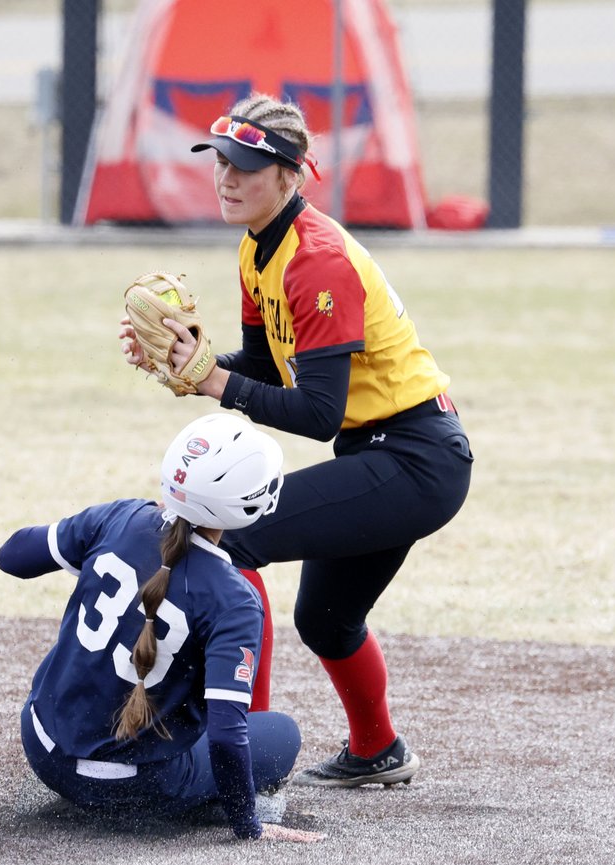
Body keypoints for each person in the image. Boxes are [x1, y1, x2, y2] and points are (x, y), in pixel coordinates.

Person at [119, 93, 474, 788]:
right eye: (220, 161)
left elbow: (317, 412)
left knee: (232, 537)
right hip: (382, 453)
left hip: (416, 457)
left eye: (245, 167)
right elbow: (263, 365)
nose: (226, 178)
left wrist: (212, 381)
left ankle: (242, 756)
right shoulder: (259, 247)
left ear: (289, 175)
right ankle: (378, 750)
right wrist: (189, 363)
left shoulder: (317, 260)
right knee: (326, 619)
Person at [0, 413, 323, 842]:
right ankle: (203, 807)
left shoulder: (122, 516)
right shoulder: (235, 599)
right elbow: (227, 736)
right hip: (132, 788)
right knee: (282, 735)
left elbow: (12, 557)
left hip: (42, 748)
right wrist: (249, 827)